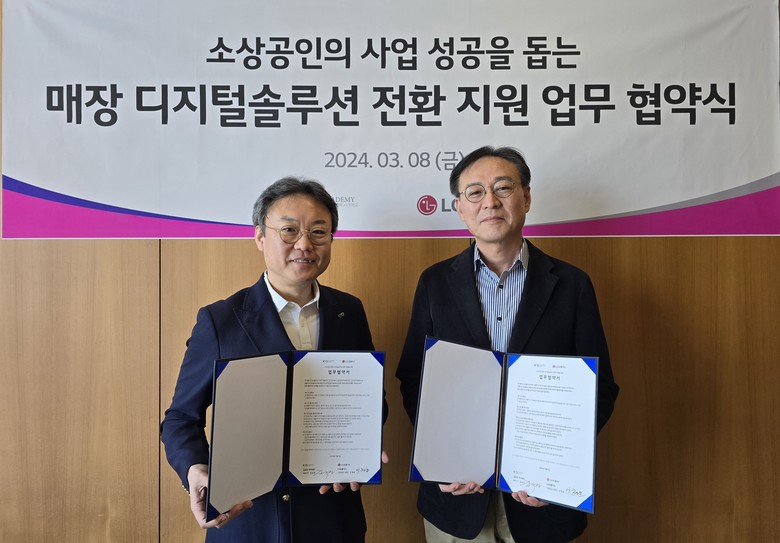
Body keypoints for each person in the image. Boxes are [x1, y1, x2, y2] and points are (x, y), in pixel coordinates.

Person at [395, 146, 619, 543]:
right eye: (475, 192)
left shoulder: (572, 285)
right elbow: (414, 379)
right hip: (456, 499)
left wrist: (559, 468)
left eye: (503, 187)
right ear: (459, 208)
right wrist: (442, 457)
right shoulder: (435, 283)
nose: (490, 202)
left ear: (526, 197)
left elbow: (599, 387)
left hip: (543, 502)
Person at [161, 176, 386, 543]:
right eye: (289, 230)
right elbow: (180, 419)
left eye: (318, 232)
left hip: (332, 518)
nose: (304, 244)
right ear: (260, 237)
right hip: (249, 520)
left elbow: (373, 400)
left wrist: (359, 443)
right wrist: (196, 469)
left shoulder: (349, 311)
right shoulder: (221, 320)